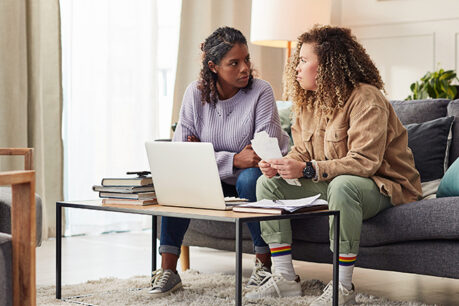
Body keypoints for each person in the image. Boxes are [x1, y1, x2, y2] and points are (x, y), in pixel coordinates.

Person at [245, 25, 422, 304]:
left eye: (303, 60)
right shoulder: (306, 103)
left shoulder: (367, 98)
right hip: (332, 183)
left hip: (384, 185)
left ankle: (342, 287)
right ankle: (285, 278)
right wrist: (281, 164)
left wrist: (306, 170)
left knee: (343, 186)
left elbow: (365, 162)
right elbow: (302, 151)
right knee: (267, 183)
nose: (297, 68)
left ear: (326, 65)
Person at [149, 26, 290, 297]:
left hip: (255, 178)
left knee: (251, 178)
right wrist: (234, 159)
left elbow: (260, 153)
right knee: (177, 181)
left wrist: (208, 155)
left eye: (246, 59)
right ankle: (168, 269)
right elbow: (183, 155)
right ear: (213, 66)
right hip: (210, 181)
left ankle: (263, 265)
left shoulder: (261, 91)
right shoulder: (195, 93)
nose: (245, 68)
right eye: (234, 63)